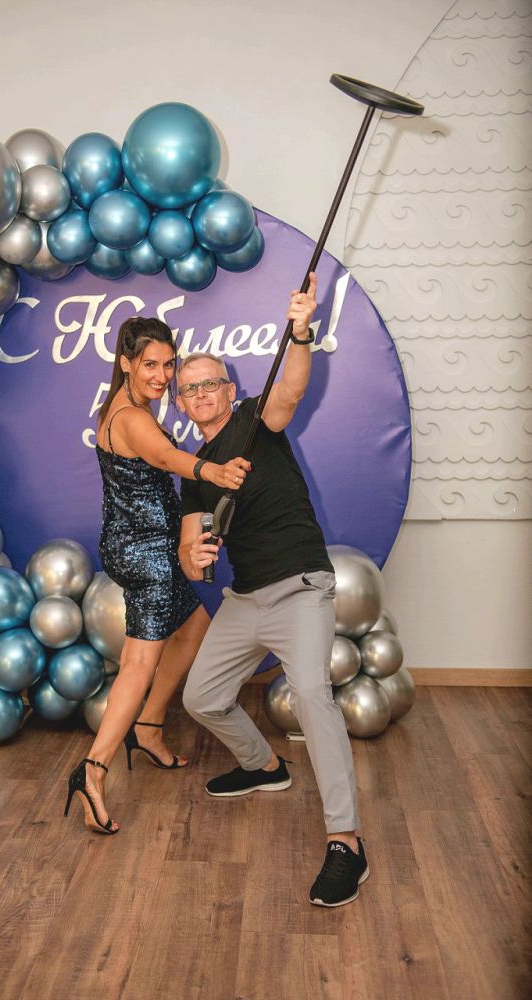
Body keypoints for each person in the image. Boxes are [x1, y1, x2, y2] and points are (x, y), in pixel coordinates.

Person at [177, 277, 368, 906]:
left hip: (300, 587)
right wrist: (194, 555)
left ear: (229, 391)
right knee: (201, 697)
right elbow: (189, 551)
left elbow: (290, 390)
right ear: (181, 404)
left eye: (210, 383)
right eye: (189, 389)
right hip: (246, 600)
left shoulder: (255, 420)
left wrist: (300, 332)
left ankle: (346, 842)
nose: (201, 394)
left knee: (312, 694)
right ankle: (264, 766)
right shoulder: (194, 472)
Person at [64, 315, 250, 835]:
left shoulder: (120, 406)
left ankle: (148, 725)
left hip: (138, 545)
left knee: (195, 625)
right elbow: (167, 457)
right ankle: (93, 770)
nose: (163, 375)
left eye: (169, 365)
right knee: (138, 663)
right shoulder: (131, 418)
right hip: (148, 555)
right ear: (126, 363)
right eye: (151, 364)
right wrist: (213, 470)